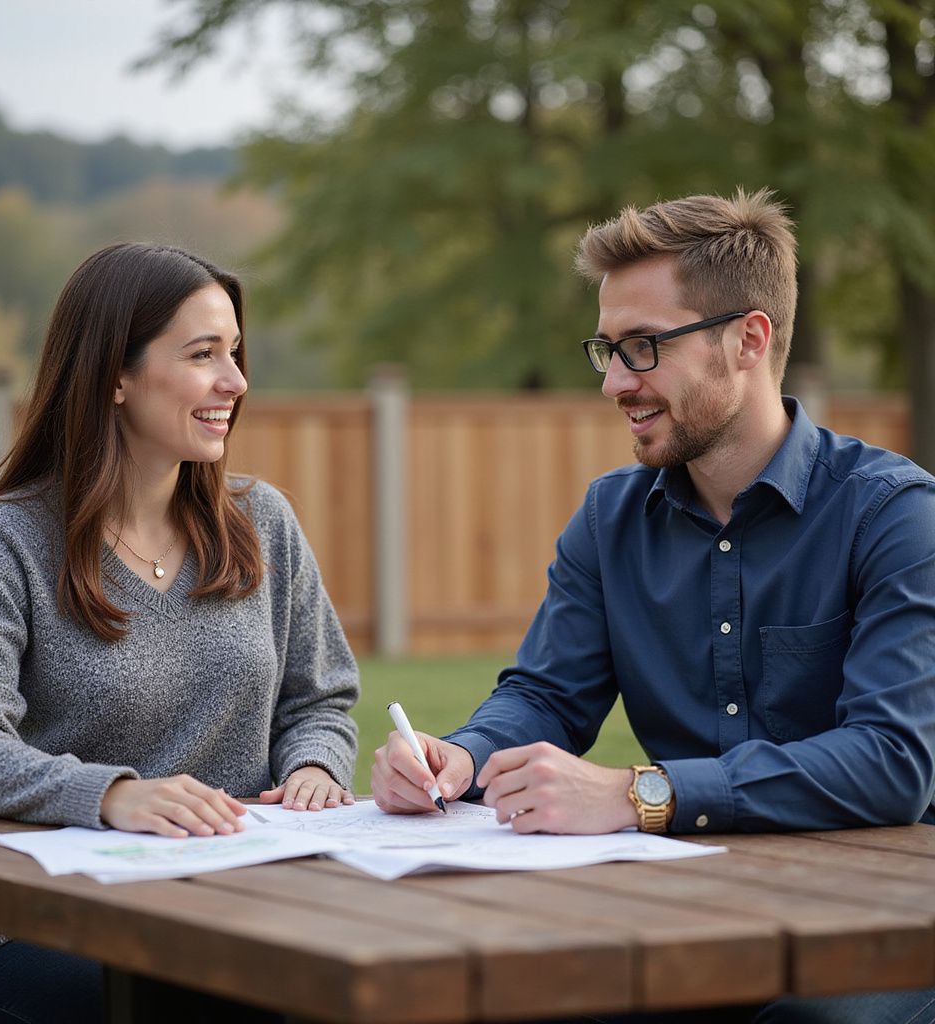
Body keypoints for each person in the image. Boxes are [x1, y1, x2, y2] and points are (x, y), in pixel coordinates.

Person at [372, 189, 935, 1023]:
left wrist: (644, 795)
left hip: (885, 910)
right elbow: (547, 694)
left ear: (749, 340)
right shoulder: (610, 519)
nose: (612, 383)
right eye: (606, 348)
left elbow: (892, 763)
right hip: (693, 899)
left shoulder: (894, 514)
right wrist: (457, 757)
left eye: (642, 348)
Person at [0, 242, 360, 1024]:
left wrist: (316, 764)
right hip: (28, 920)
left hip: (229, 901)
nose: (236, 382)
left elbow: (319, 697)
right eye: (203, 355)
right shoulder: (7, 541)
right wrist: (110, 794)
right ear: (115, 375)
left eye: (236, 353)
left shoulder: (263, 524)